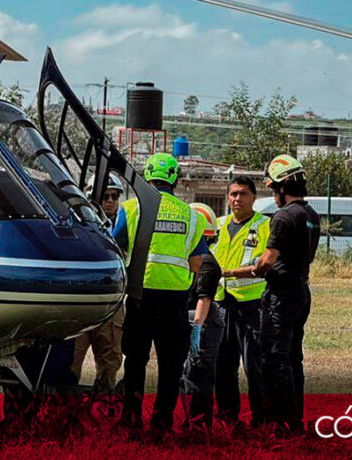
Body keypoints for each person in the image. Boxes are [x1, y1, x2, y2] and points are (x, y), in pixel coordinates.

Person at [113, 153, 209, 437]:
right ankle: (162, 424)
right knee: (170, 365)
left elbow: (116, 246)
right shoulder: (191, 215)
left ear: (146, 178)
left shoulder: (130, 208)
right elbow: (196, 263)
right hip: (175, 301)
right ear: (175, 180)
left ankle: (130, 420)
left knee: (135, 361)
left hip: (140, 297)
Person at [230, 154, 320, 434]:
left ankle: (280, 423)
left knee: (273, 358)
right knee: (293, 358)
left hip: (280, 295)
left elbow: (267, 261)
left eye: (273, 189)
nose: (273, 194)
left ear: (282, 187)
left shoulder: (283, 217)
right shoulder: (311, 215)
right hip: (301, 291)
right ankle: (294, 419)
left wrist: (234, 272)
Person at [213, 176, 271, 428]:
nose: (237, 199)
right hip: (221, 303)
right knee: (222, 365)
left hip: (252, 303)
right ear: (227, 197)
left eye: (244, 194)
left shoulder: (265, 225)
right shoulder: (218, 224)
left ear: (254, 198)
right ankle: (228, 419)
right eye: (233, 193)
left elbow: (263, 266)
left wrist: (230, 273)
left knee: (254, 366)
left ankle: (262, 419)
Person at [71, 173, 125, 392]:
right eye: (104, 196)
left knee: (110, 360)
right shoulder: (73, 223)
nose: (110, 200)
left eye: (114, 196)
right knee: (70, 361)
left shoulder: (123, 227)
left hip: (111, 303)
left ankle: (104, 409)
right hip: (78, 303)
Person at [181, 203, 223, 432]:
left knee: (199, 372)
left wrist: (197, 329)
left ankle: (199, 426)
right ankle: (192, 422)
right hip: (197, 318)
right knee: (188, 374)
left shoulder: (206, 262)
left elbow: (204, 299)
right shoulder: (197, 257)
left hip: (203, 320)